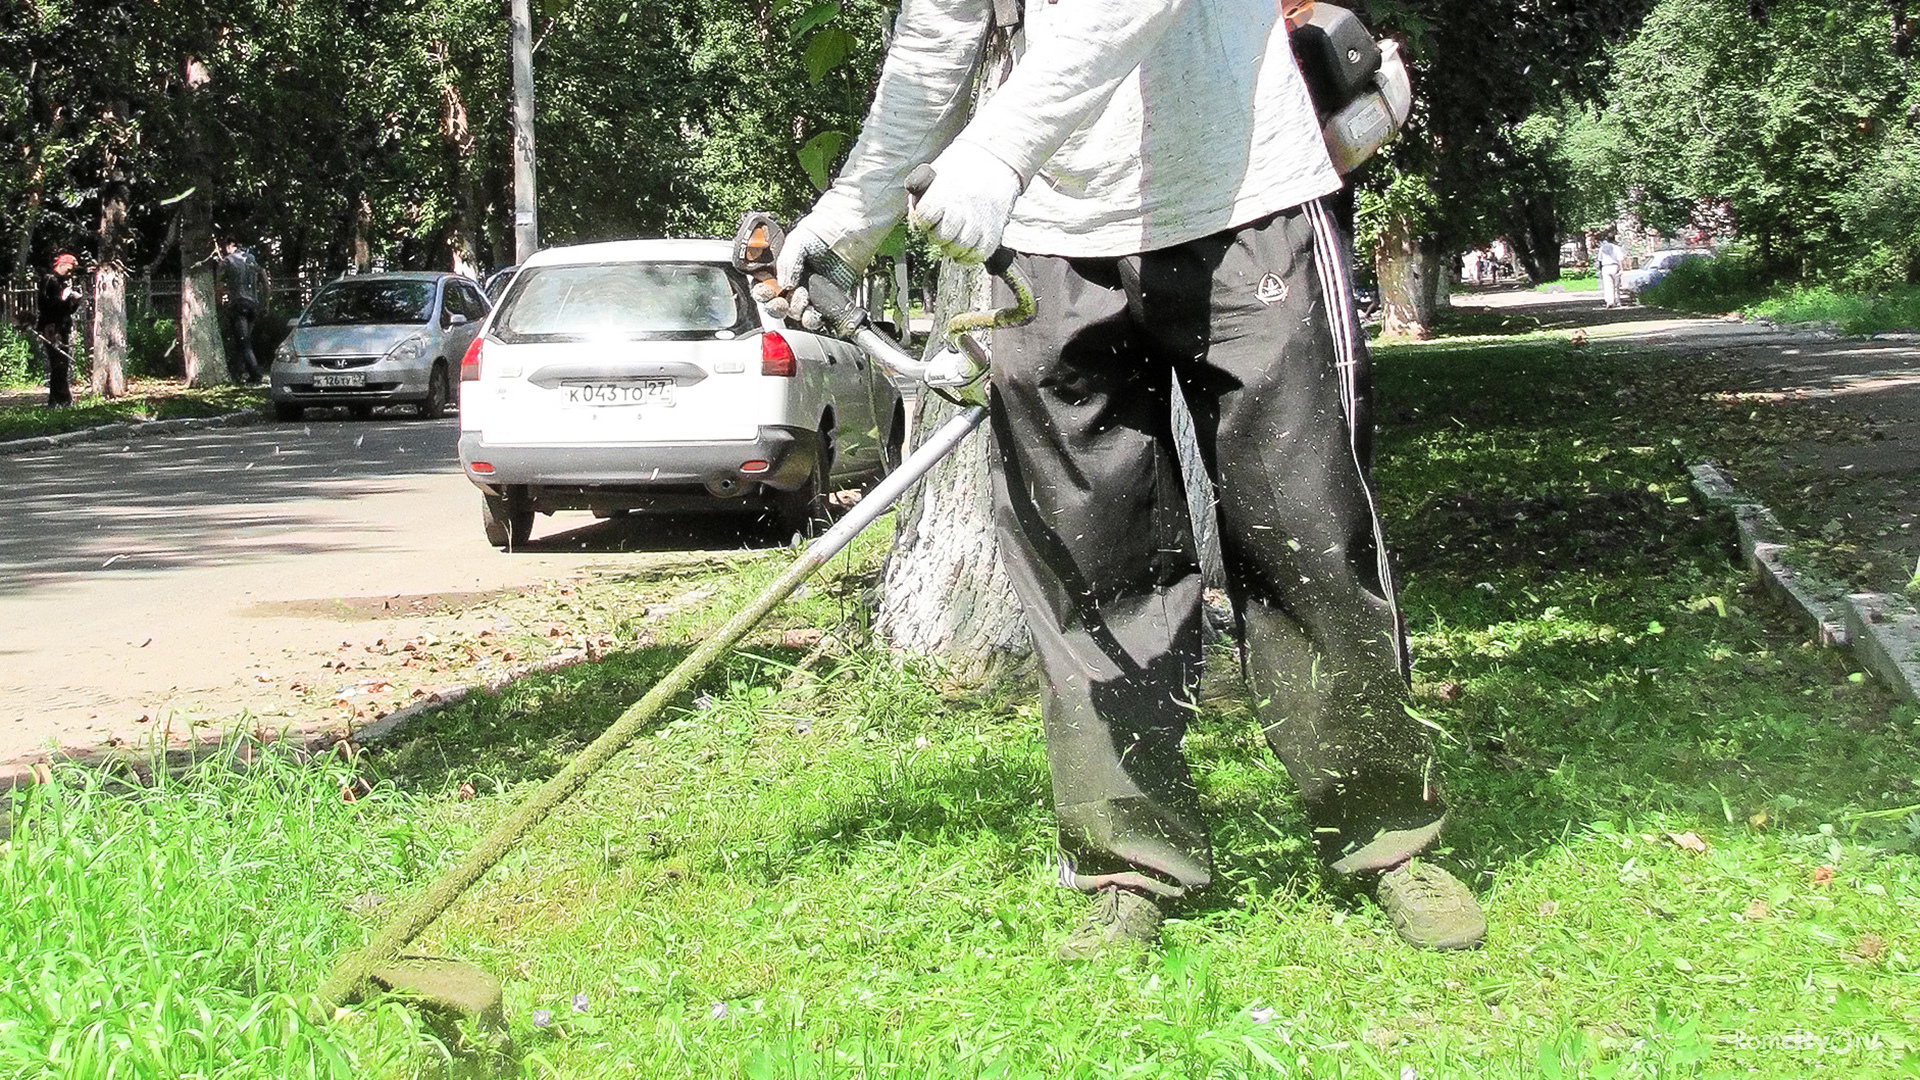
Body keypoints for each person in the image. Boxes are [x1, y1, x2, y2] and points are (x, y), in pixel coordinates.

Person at [777, 0, 1486, 957]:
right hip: (1054, 230)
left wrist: (992, 158)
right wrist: (851, 218)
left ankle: (1384, 835)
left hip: (1250, 196)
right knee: (1088, 553)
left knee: (1307, 532)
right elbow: (938, 35)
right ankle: (1132, 860)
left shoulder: (1049, 150)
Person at [215, 240, 268, 382]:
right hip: (253, 305)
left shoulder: (226, 262)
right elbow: (265, 281)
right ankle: (237, 373)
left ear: (229, 246)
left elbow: (219, 285)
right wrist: (266, 304)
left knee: (243, 342)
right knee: (242, 340)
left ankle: (255, 375)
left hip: (238, 304)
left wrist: (219, 302)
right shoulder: (252, 260)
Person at [36, 252, 82, 408]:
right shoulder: (49, 281)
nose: (71, 273)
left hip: (62, 328)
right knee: (58, 363)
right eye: (70, 268)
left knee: (62, 363)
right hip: (50, 328)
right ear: (61, 265)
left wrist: (75, 301)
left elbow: (66, 310)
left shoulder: (63, 283)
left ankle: (56, 401)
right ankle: (62, 400)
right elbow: (47, 306)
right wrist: (63, 298)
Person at [1596, 232, 1627, 309]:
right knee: (1616, 285)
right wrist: (1621, 268)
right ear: (1614, 239)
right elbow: (1620, 259)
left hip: (1605, 266)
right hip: (1614, 266)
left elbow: (1600, 259)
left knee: (1607, 285)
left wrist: (1600, 269)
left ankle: (1609, 301)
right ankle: (1617, 301)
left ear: (1607, 239)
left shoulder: (1602, 248)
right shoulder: (1616, 248)